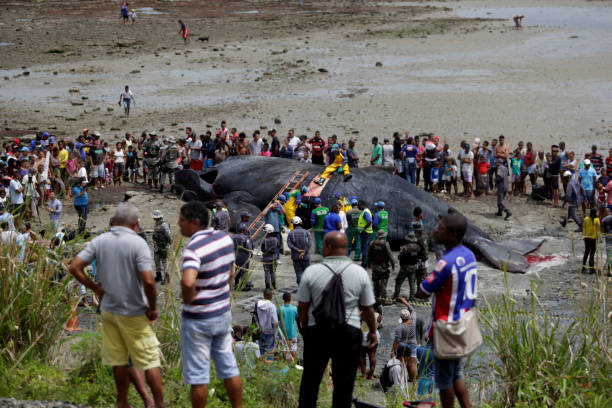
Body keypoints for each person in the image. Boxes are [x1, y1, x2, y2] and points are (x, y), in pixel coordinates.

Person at [68, 203, 167, 408]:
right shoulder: (138, 243)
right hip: (133, 309)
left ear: (114, 221)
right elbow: (149, 281)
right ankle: (158, 403)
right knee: (149, 359)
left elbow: (75, 267)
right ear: (135, 223)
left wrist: (94, 287)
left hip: (109, 309)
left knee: (120, 358)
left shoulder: (100, 240)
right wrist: (153, 307)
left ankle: (122, 401)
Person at [296, 231, 378, 408]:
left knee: (310, 382)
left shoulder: (311, 272)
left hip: (317, 331)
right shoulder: (360, 272)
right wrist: (372, 331)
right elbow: (368, 309)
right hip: (349, 331)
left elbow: (302, 307)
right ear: (345, 248)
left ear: (328, 247)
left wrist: (305, 328)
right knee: (343, 384)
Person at [177, 200, 242, 408]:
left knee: (198, 375)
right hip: (221, 313)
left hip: (198, 319)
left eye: (182, 220)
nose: (179, 224)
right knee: (229, 367)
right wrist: (224, 294)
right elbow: (231, 273)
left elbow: (188, 281)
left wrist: (188, 299)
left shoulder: (193, 248)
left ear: (195, 222)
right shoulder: (224, 239)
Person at [416, 213, 477, 408]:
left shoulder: (445, 262)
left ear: (451, 234)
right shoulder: (468, 255)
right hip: (463, 322)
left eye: (440, 228)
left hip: (445, 326)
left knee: (444, 381)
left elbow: (423, 291)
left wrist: (436, 285)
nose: (435, 230)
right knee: (456, 373)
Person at [393, 225, 428, 300]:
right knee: (412, 283)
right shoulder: (418, 247)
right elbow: (421, 256)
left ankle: (395, 296)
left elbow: (399, 257)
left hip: (405, 267)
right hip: (413, 267)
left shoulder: (405, 248)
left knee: (398, 281)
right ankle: (412, 297)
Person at [367, 229, 395, 305]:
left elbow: (369, 255)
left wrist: (368, 264)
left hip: (375, 267)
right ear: (384, 236)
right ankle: (383, 300)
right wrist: (393, 265)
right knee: (383, 284)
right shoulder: (386, 244)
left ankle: (376, 298)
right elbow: (390, 256)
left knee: (375, 283)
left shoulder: (372, 243)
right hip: (383, 268)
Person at [390, 307, 418, 384]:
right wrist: (405, 302)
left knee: (401, 363)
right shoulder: (414, 321)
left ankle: (401, 380)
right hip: (413, 345)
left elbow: (397, 341)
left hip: (403, 346)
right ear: (409, 316)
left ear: (401, 317)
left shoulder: (399, 327)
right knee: (411, 364)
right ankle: (414, 381)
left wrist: (393, 351)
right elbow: (413, 310)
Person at [287, 216, 312, 285]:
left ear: (293, 224)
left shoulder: (291, 233)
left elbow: (289, 244)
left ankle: (301, 288)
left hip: (296, 257)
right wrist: (304, 252)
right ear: (300, 223)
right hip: (305, 257)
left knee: (299, 272)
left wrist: (298, 250)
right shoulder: (306, 232)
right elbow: (309, 244)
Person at [254, 288, 279, 358]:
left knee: (261, 349)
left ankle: (262, 365)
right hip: (270, 332)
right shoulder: (272, 306)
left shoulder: (258, 304)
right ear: (270, 296)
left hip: (260, 330)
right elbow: (275, 322)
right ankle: (269, 366)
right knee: (270, 350)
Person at [152, 210, 171, 284]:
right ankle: (158, 276)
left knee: (164, 262)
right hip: (157, 245)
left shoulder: (164, 225)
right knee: (156, 261)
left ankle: (167, 278)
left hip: (164, 246)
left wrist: (169, 245)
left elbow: (168, 236)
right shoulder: (156, 224)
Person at [232, 222, 253, 291]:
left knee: (237, 270)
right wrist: (251, 253)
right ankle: (243, 286)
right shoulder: (245, 238)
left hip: (236, 256)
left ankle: (236, 284)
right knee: (244, 271)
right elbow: (248, 247)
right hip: (244, 256)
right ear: (242, 230)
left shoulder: (233, 237)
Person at [278, 292, 299, 360]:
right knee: (293, 349)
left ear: (283, 299)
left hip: (282, 333)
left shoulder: (279, 309)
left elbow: (278, 319)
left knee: (283, 349)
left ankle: (283, 364)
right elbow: (297, 319)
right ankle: (293, 365)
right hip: (292, 332)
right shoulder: (294, 309)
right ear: (290, 298)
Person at [582, 208, 600, 274]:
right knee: (592, 253)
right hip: (593, 238)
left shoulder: (586, 219)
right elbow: (598, 229)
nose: (598, 213)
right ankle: (591, 269)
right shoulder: (597, 220)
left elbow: (584, 227)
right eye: (597, 212)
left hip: (586, 238)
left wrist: (584, 236)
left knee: (586, 252)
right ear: (595, 213)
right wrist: (598, 237)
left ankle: (583, 267)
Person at [261, 224, 278, 290]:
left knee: (267, 272)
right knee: (273, 272)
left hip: (266, 259)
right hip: (274, 258)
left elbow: (262, 250)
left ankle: (268, 286)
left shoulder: (264, 240)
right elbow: (276, 248)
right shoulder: (275, 239)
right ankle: (274, 285)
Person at [357, 200, 373, 268]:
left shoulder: (365, 212)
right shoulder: (366, 211)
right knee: (366, 248)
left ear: (362, 205)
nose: (357, 207)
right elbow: (372, 217)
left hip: (365, 233)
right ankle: (367, 263)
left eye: (358, 205)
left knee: (364, 249)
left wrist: (364, 228)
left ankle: (364, 264)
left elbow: (369, 221)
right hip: (366, 233)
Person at [601, 208, 612, 275]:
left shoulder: (604, 219)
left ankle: (609, 271)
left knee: (609, 255)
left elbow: (603, 231)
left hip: (608, 238)